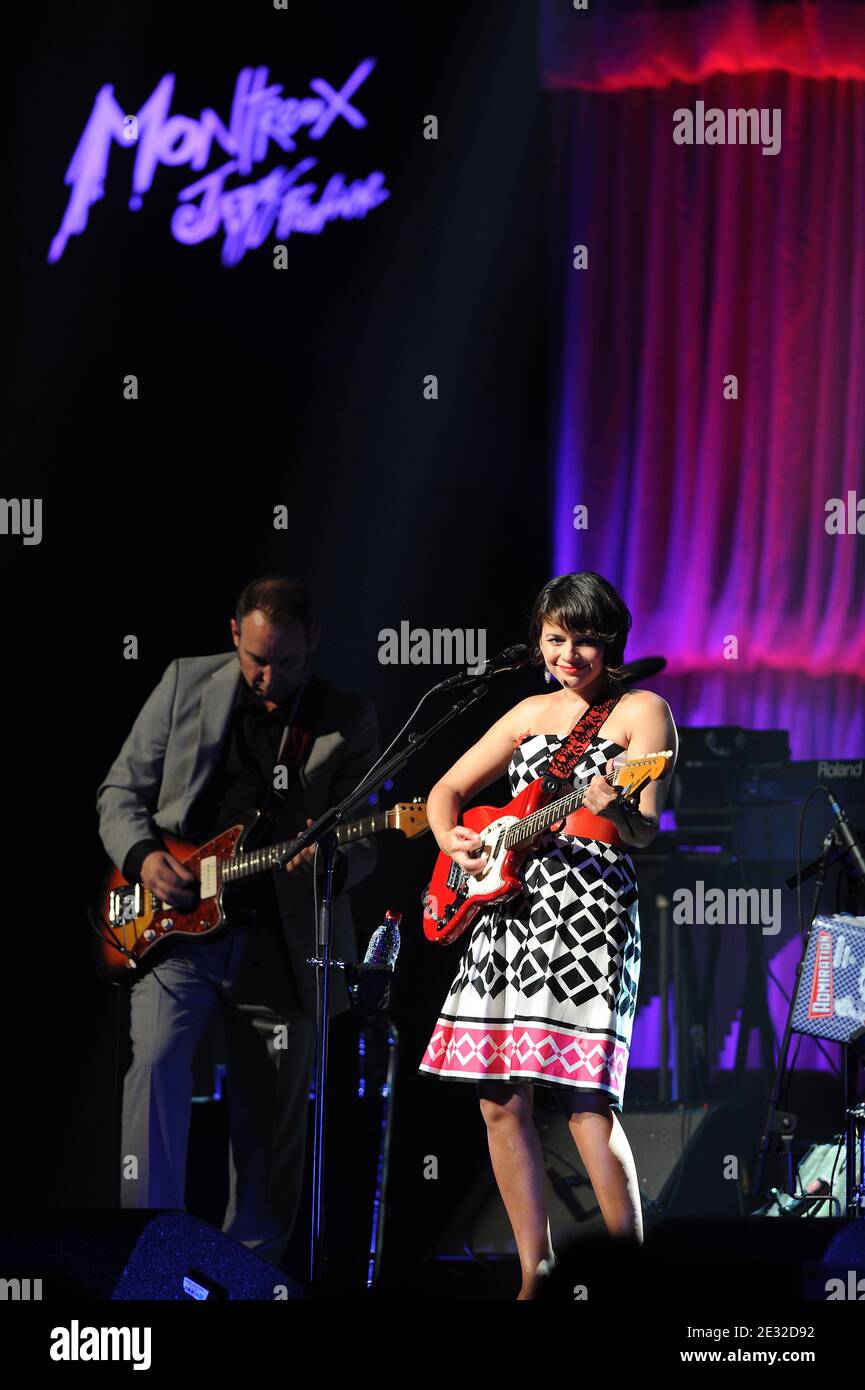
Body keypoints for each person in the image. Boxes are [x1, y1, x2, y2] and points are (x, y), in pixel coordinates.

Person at [97, 575, 379, 1268]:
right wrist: (143, 857)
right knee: (156, 1067)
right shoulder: (183, 682)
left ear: (312, 641)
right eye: (256, 657)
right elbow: (119, 792)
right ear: (234, 634)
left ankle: (244, 1270)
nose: (267, 675)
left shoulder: (345, 716)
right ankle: (148, 1251)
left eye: (285, 661)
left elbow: (366, 848)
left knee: (271, 1115)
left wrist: (326, 863)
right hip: (175, 934)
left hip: (277, 943)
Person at [419, 572, 677, 1298]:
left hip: (586, 906)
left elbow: (644, 828)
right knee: (498, 1097)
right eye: (556, 638)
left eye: (586, 639)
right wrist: (455, 842)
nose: (571, 653)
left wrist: (611, 806)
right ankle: (535, 1274)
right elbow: (445, 792)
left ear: (611, 641)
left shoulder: (641, 711)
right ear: (537, 641)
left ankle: (631, 1274)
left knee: (584, 1099)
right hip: (505, 912)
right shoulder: (527, 711)